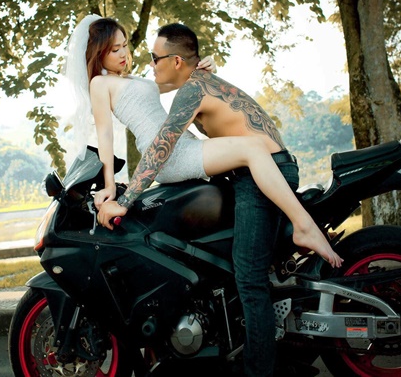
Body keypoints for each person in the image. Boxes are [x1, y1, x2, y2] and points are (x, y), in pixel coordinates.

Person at [96, 22, 342, 376]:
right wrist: (110, 183)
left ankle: (260, 371)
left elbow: (163, 144)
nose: (147, 62)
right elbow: (131, 122)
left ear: (176, 61)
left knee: (249, 278)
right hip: (254, 171)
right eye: (117, 48)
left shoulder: (191, 91)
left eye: (154, 57)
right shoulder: (196, 84)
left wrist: (127, 197)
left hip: (261, 173)